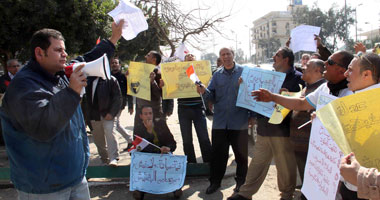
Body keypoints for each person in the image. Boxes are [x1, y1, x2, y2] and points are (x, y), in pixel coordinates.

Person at [0, 20, 123, 199]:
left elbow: (86, 59)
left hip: (74, 178)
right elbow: (43, 127)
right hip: (43, 187)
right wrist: (72, 92)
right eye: (58, 50)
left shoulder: (58, 73)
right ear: (39, 53)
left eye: (64, 50)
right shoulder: (24, 86)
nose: (64, 55)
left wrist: (113, 39)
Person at [251, 50, 357, 199]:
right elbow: (301, 103)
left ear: (342, 70)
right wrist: (273, 97)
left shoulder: (353, 94)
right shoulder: (325, 88)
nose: (325, 63)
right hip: (321, 158)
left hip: (341, 163)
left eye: (330, 62)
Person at [228, 47, 305, 200]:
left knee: (284, 166)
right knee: (258, 162)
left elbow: (301, 102)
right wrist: (245, 85)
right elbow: (255, 97)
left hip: (282, 130)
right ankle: (245, 194)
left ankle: (286, 195)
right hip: (264, 127)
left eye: (277, 55)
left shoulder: (298, 78)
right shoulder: (268, 75)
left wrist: (286, 95)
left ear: (286, 60)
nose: (273, 56)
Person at [197, 47, 254, 194]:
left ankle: (241, 184)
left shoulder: (245, 72)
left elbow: (252, 94)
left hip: (239, 121)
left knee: (241, 156)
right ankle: (215, 183)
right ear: (220, 58)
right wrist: (204, 91)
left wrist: (252, 116)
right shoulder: (217, 75)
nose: (226, 57)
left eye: (228, 54)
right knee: (218, 156)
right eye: (223, 55)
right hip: (220, 122)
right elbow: (211, 95)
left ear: (233, 55)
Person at [289, 59, 326, 200]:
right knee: (306, 181)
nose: (302, 68)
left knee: (315, 183)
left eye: (307, 66)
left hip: (312, 147)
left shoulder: (323, 89)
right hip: (300, 145)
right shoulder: (306, 87)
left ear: (318, 71)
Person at [132, 105, 180, 200]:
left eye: (150, 113)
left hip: (163, 156)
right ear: (141, 116)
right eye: (145, 114)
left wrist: (168, 148)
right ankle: (140, 189)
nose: (148, 116)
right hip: (148, 158)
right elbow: (138, 147)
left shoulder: (161, 124)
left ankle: (175, 188)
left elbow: (172, 143)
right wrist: (149, 131)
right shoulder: (138, 128)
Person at [85, 64, 122, 167]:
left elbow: (117, 98)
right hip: (93, 116)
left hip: (108, 114)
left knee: (110, 133)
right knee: (98, 138)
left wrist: (111, 113)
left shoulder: (111, 80)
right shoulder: (88, 81)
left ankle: (113, 158)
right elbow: (85, 100)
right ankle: (104, 159)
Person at [177, 53, 212, 163]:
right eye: (187, 55)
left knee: (204, 138)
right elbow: (170, 87)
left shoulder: (201, 72)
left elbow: (208, 89)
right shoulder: (177, 73)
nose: (190, 56)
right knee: (187, 140)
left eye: (192, 55)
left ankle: (208, 163)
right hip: (183, 109)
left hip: (198, 108)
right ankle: (191, 164)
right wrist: (164, 84)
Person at [133, 51, 173, 134]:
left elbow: (163, 93)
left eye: (148, 55)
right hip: (140, 109)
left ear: (154, 60)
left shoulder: (159, 74)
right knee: (140, 134)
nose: (145, 57)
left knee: (157, 134)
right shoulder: (140, 72)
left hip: (154, 110)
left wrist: (152, 82)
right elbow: (135, 89)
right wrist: (129, 78)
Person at [110, 57, 134, 149]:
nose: (114, 64)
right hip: (110, 103)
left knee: (114, 124)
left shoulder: (124, 77)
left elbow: (129, 92)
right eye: (112, 63)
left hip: (120, 103)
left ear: (119, 65)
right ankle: (130, 140)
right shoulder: (108, 76)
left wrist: (131, 106)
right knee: (116, 124)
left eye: (116, 63)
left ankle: (128, 141)